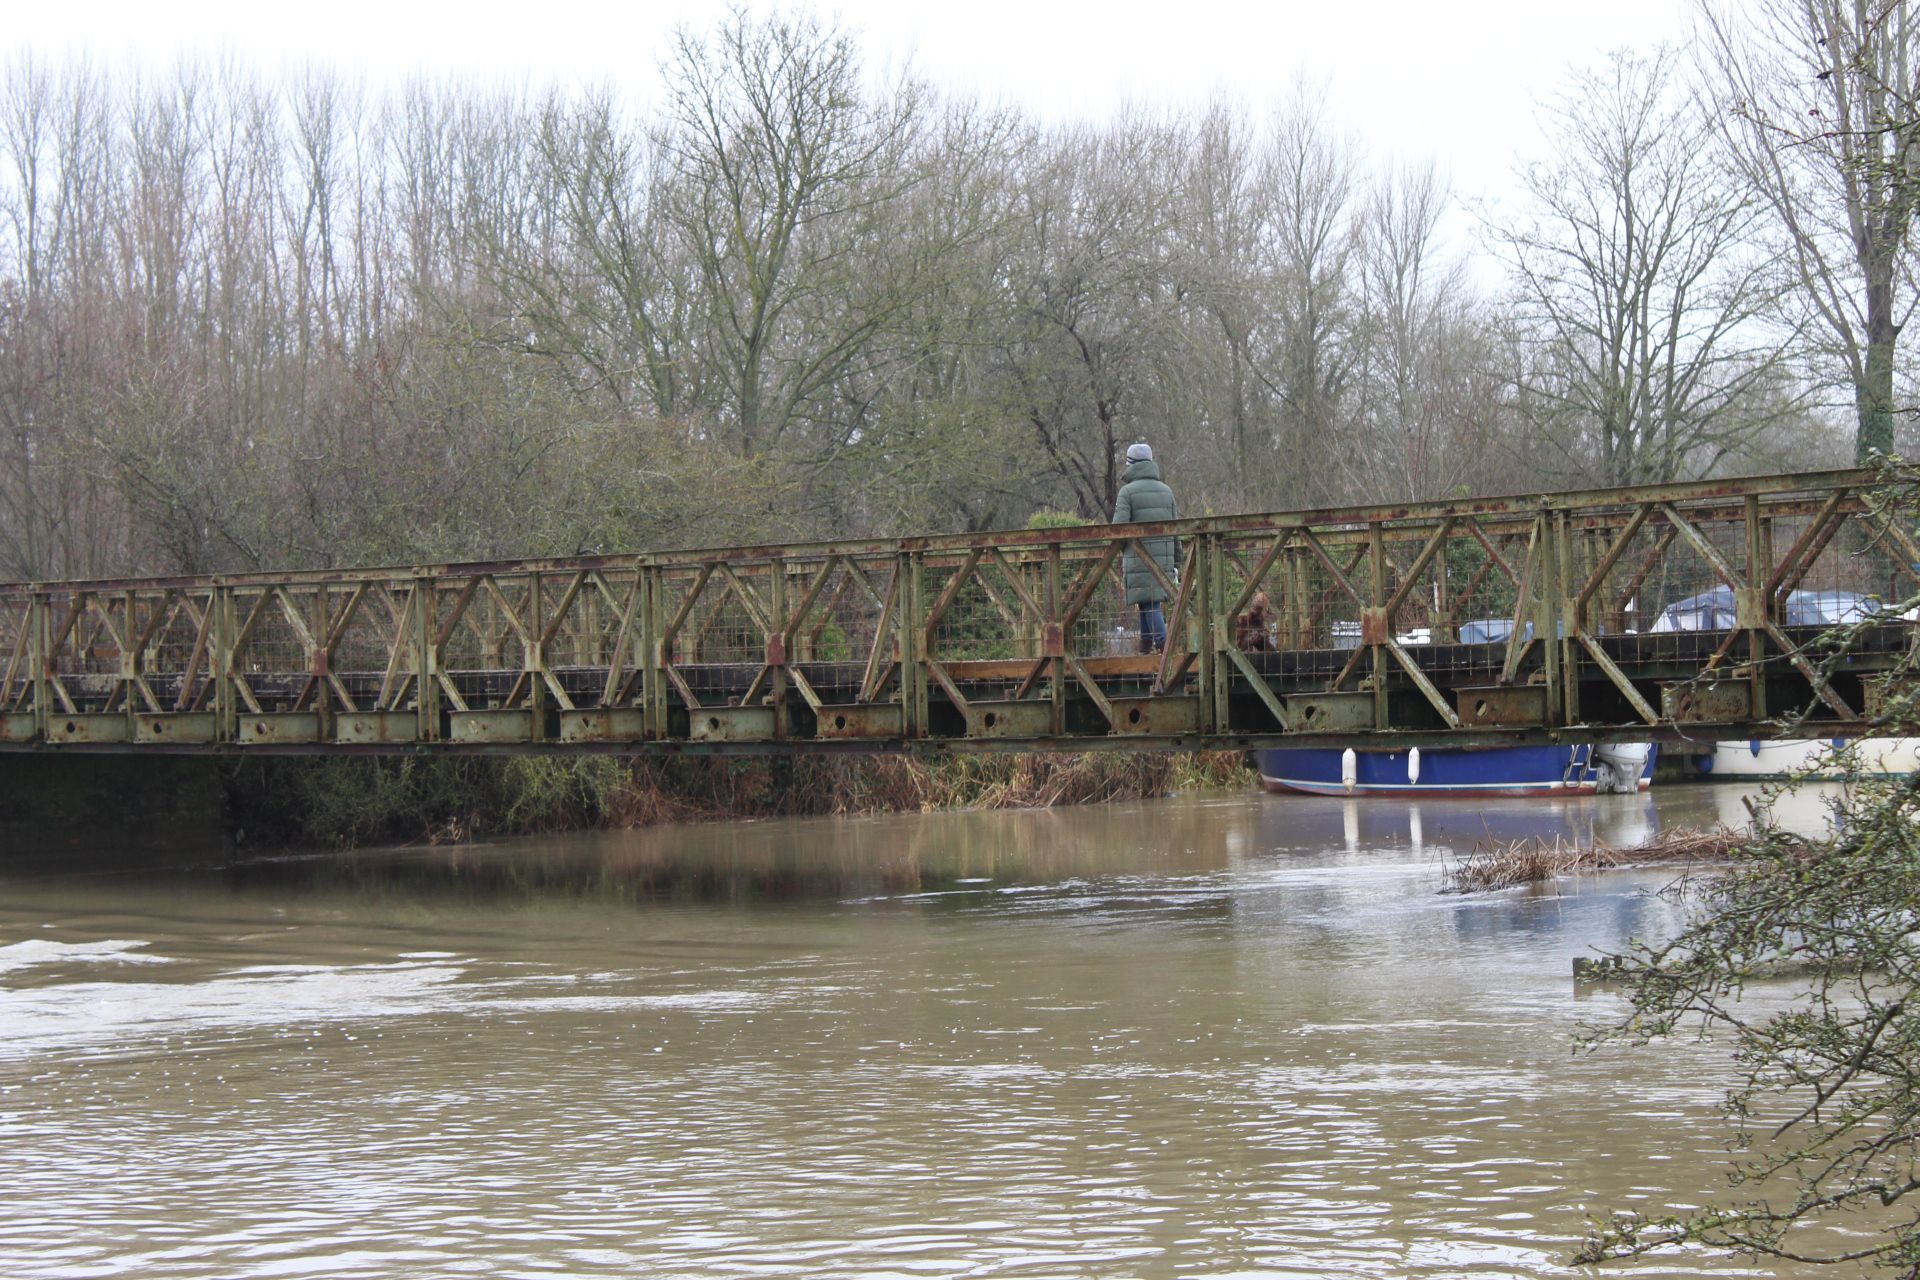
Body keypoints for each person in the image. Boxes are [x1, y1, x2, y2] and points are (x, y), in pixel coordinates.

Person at [1112, 440, 1178, 653]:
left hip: (1139, 560)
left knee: (1150, 603)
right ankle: (1145, 647)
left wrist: (1120, 550)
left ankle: (1164, 646)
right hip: (1164, 560)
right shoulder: (1167, 491)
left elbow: (1117, 531)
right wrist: (1178, 560)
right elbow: (1176, 530)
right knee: (1149, 602)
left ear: (1130, 464)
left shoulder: (1127, 493)